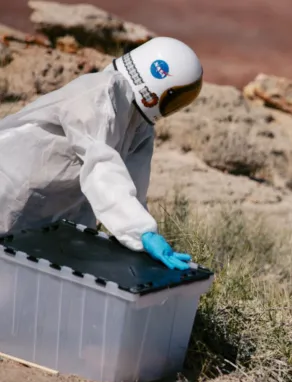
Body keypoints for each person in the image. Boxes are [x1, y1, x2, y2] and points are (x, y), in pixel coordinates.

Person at [0, 36, 203, 270]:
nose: (175, 105)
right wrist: (141, 231)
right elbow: (100, 165)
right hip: (8, 186)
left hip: (43, 214)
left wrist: (141, 234)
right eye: (176, 96)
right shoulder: (99, 93)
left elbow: (131, 191)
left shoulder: (140, 126)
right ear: (156, 78)